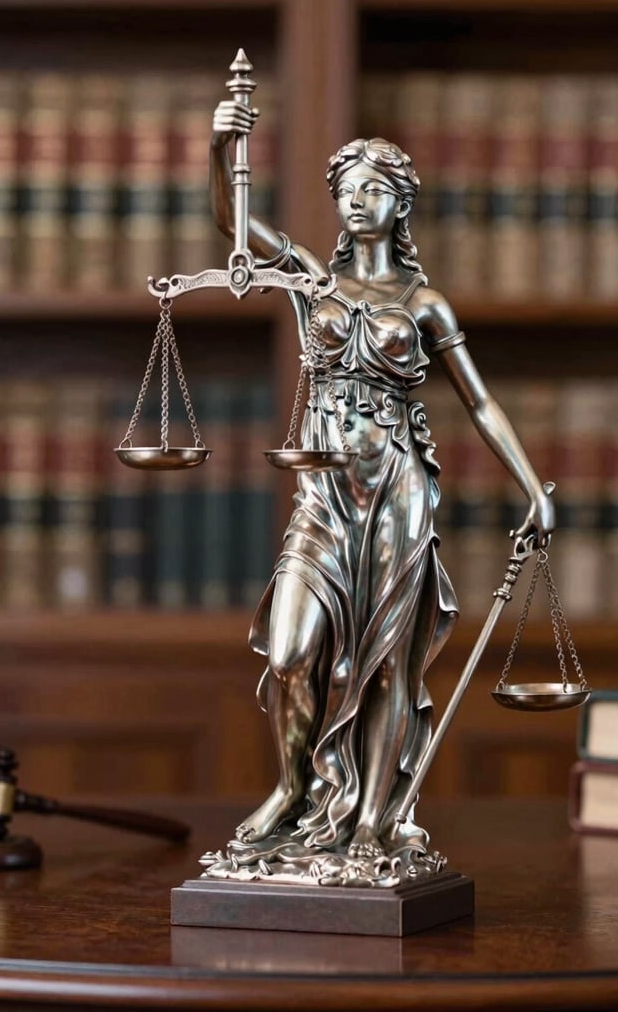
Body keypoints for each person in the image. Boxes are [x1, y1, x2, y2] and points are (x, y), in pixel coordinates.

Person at [207, 101, 555, 879]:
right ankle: (295, 789)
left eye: (375, 188)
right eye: (348, 187)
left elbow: (480, 399)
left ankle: (371, 818)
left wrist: (533, 485)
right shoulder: (310, 275)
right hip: (324, 494)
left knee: (390, 661)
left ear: (402, 204)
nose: (358, 199)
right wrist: (222, 142)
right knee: (294, 649)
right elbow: (230, 219)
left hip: (396, 486)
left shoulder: (424, 304)